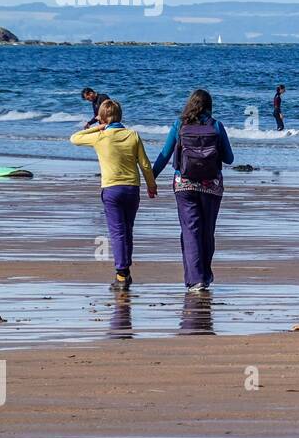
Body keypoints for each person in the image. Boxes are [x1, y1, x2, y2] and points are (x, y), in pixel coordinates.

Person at [69, 98, 157, 290]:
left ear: (102, 117)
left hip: (112, 189)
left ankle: (121, 274)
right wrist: (152, 186)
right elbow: (144, 164)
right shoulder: (132, 135)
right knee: (128, 230)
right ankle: (125, 270)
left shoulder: (100, 136)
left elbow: (74, 138)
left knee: (117, 232)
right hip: (132, 188)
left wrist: (97, 128)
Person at [152, 89, 235, 293]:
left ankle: (195, 279)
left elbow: (164, 155)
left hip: (184, 184)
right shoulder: (216, 125)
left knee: (190, 231)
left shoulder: (179, 125)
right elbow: (229, 158)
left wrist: (150, 178)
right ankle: (205, 276)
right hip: (211, 186)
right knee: (207, 232)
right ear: (209, 106)